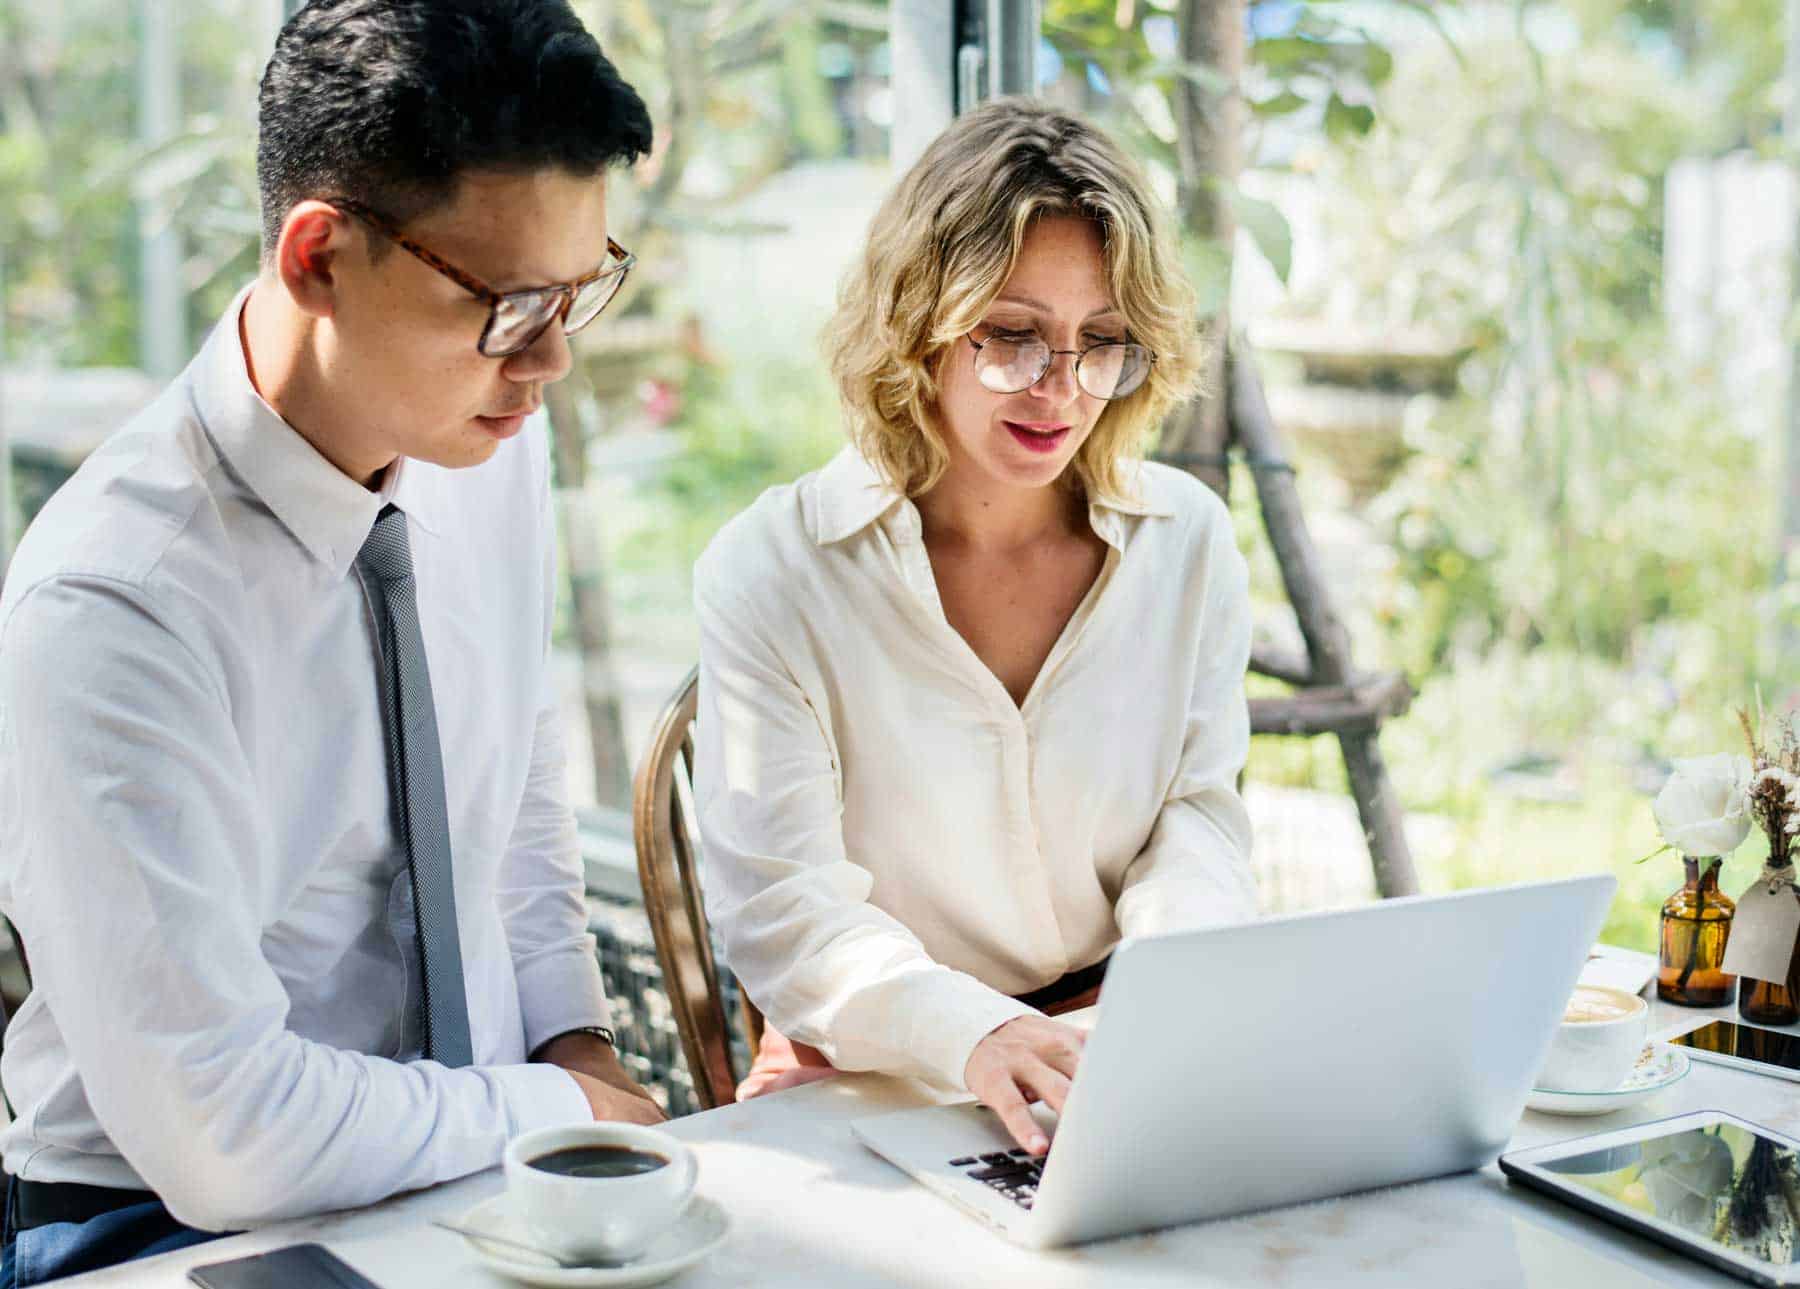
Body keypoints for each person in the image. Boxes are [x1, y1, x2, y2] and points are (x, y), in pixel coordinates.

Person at [0, 2, 662, 1281]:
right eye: (515, 301)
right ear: (318, 254)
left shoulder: (478, 438)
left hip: (464, 1164)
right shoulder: (114, 600)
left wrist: (574, 1043)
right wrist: (552, 1108)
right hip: (158, 1222)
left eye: (579, 291)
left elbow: (512, 789)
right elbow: (226, 1134)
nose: (554, 361)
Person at [692, 99, 1258, 1159]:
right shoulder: (775, 569)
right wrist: (975, 1029)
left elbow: (1200, 817)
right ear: (918, 327)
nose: (1062, 387)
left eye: (1101, 342)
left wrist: (1174, 990)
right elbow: (787, 909)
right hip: (871, 1058)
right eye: (1013, 334)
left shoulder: (1187, 541)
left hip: (1109, 1034)